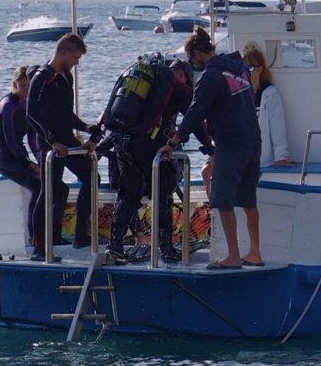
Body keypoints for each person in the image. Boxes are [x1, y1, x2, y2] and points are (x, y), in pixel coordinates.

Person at [169, 28, 263, 269]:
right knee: (248, 198)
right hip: (252, 138)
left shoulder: (210, 76)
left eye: (192, 60)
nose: (193, 65)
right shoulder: (238, 66)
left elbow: (195, 113)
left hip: (231, 143)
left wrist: (173, 142)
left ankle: (233, 256)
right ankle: (254, 252)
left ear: (198, 53)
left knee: (222, 199)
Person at [100, 50, 195, 265]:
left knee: (129, 193)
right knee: (164, 195)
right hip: (150, 149)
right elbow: (194, 118)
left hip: (123, 143)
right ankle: (167, 249)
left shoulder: (140, 79)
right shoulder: (175, 85)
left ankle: (115, 246)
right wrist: (209, 146)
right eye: (188, 79)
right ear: (182, 74)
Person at [26, 33, 99, 257]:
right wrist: (52, 141)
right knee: (49, 191)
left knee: (91, 177)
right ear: (64, 52)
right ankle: (39, 246)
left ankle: (80, 235)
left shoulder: (66, 76)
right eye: (76, 57)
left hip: (67, 140)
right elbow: (32, 114)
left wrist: (87, 128)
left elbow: (67, 114)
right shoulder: (42, 77)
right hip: (49, 144)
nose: (77, 62)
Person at [0, 64, 40, 245]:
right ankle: (33, 236)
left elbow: (32, 141)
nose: (26, 90)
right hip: (8, 160)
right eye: (22, 86)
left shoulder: (29, 105)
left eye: (29, 86)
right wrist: (29, 164)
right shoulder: (8, 105)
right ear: (15, 85)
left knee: (49, 184)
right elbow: (11, 142)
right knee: (38, 188)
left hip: (20, 157)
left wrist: (42, 162)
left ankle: (49, 233)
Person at [242, 44, 294, 169]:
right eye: (244, 67)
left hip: (263, 161)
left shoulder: (270, 94)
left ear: (260, 68)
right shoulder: (238, 93)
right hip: (241, 160)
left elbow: (277, 126)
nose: (247, 71)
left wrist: (281, 157)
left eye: (251, 67)